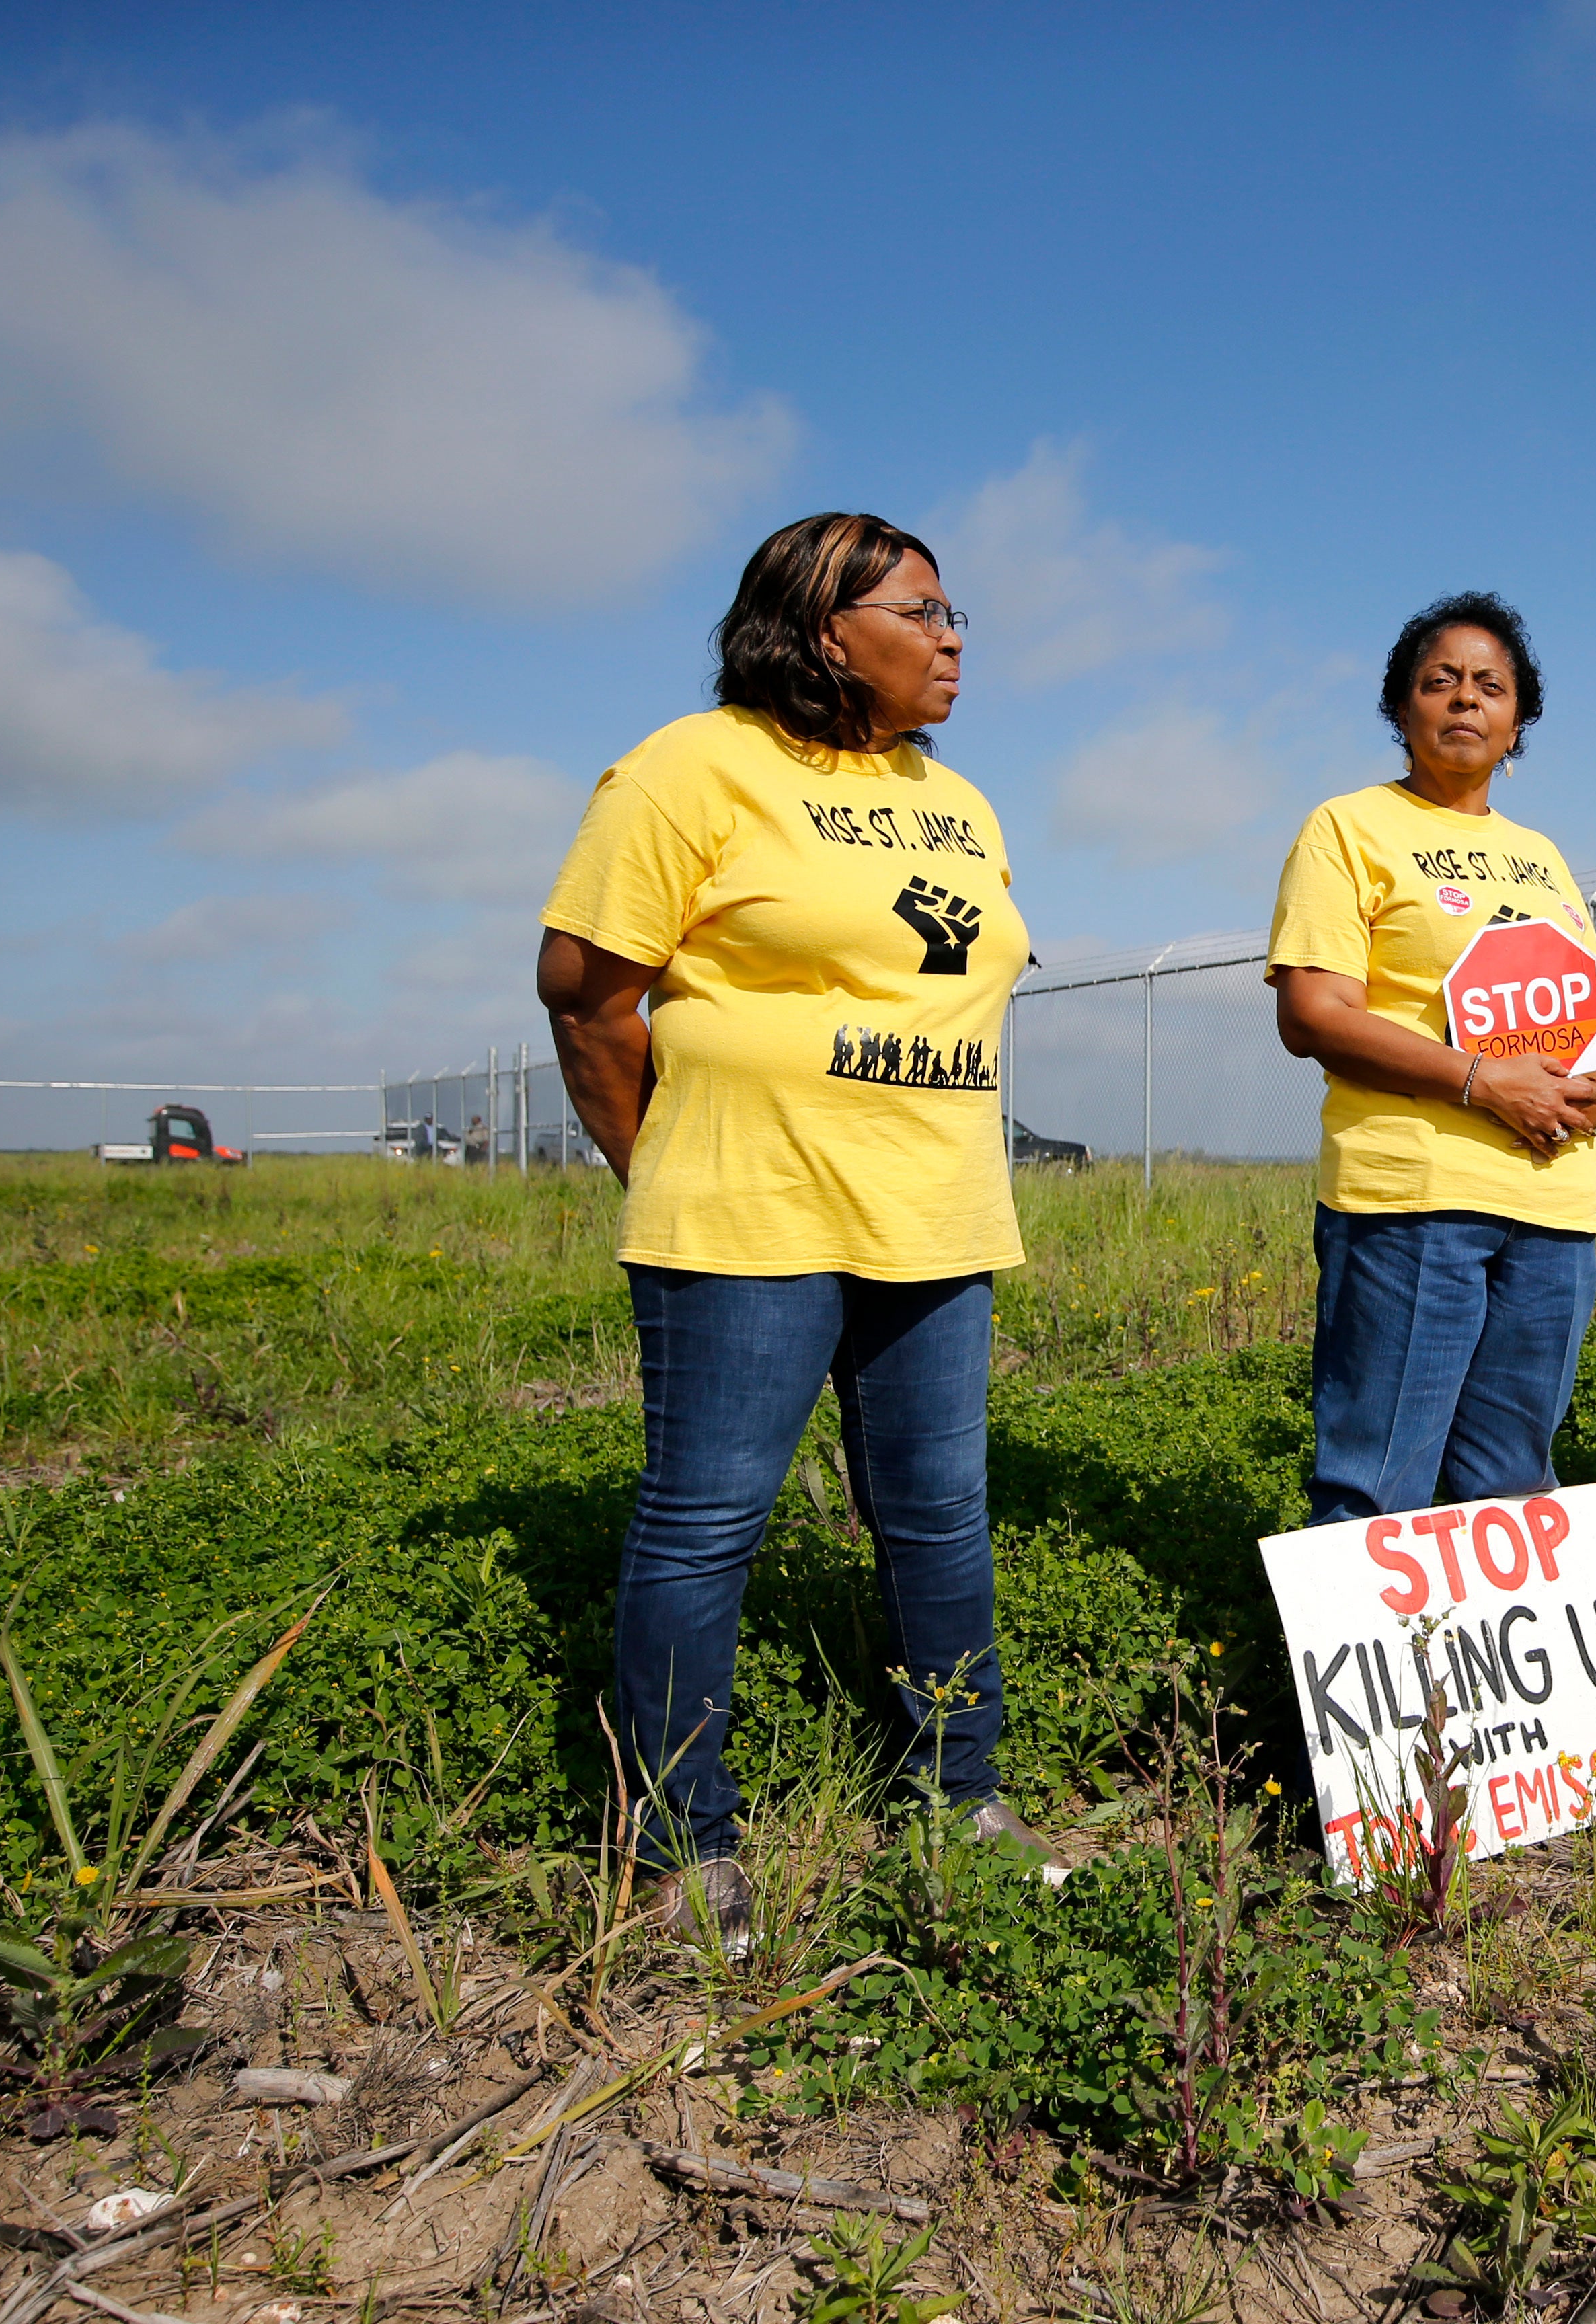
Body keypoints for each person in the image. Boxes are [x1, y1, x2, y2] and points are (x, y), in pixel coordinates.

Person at [537, 510, 1062, 1939]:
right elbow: (588, 996)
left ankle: (967, 1802)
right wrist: (672, 1167)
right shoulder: (691, 767)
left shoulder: (957, 800)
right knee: (708, 1525)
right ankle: (677, 1847)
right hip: (746, 1216)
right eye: (922, 612)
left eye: (959, 617)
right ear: (827, 629)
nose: (953, 638)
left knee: (941, 1519)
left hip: (937, 1217)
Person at [1266, 593, 1596, 1523]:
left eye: (1491, 687)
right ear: (1401, 708)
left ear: (1518, 724)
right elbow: (1313, 1012)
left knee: (1512, 1482)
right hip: (1414, 1199)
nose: (1466, 701)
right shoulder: (1348, 829)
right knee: (1377, 1479)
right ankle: (1369, 1671)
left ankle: (1469, 1673)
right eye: (1441, 683)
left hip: (1552, 1207)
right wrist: (1481, 1080)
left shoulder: (1541, 856)